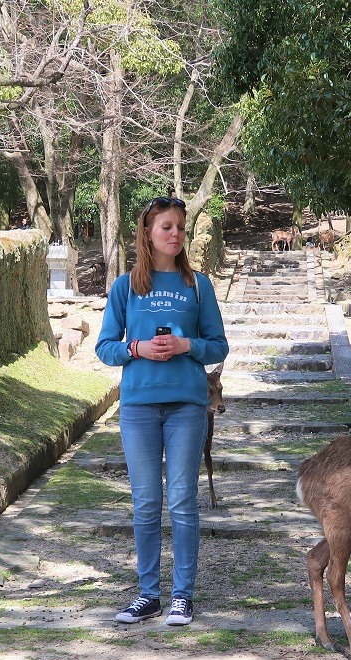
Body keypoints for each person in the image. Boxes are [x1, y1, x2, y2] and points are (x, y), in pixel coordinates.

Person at [95, 197, 228, 627]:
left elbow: (219, 344)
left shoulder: (198, 285)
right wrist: (138, 348)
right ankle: (148, 594)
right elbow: (105, 348)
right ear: (148, 233)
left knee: (182, 501)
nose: (176, 235)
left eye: (181, 229)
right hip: (138, 407)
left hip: (187, 406)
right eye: (167, 227)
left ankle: (182, 596)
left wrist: (187, 345)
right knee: (147, 502)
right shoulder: (125, 287)